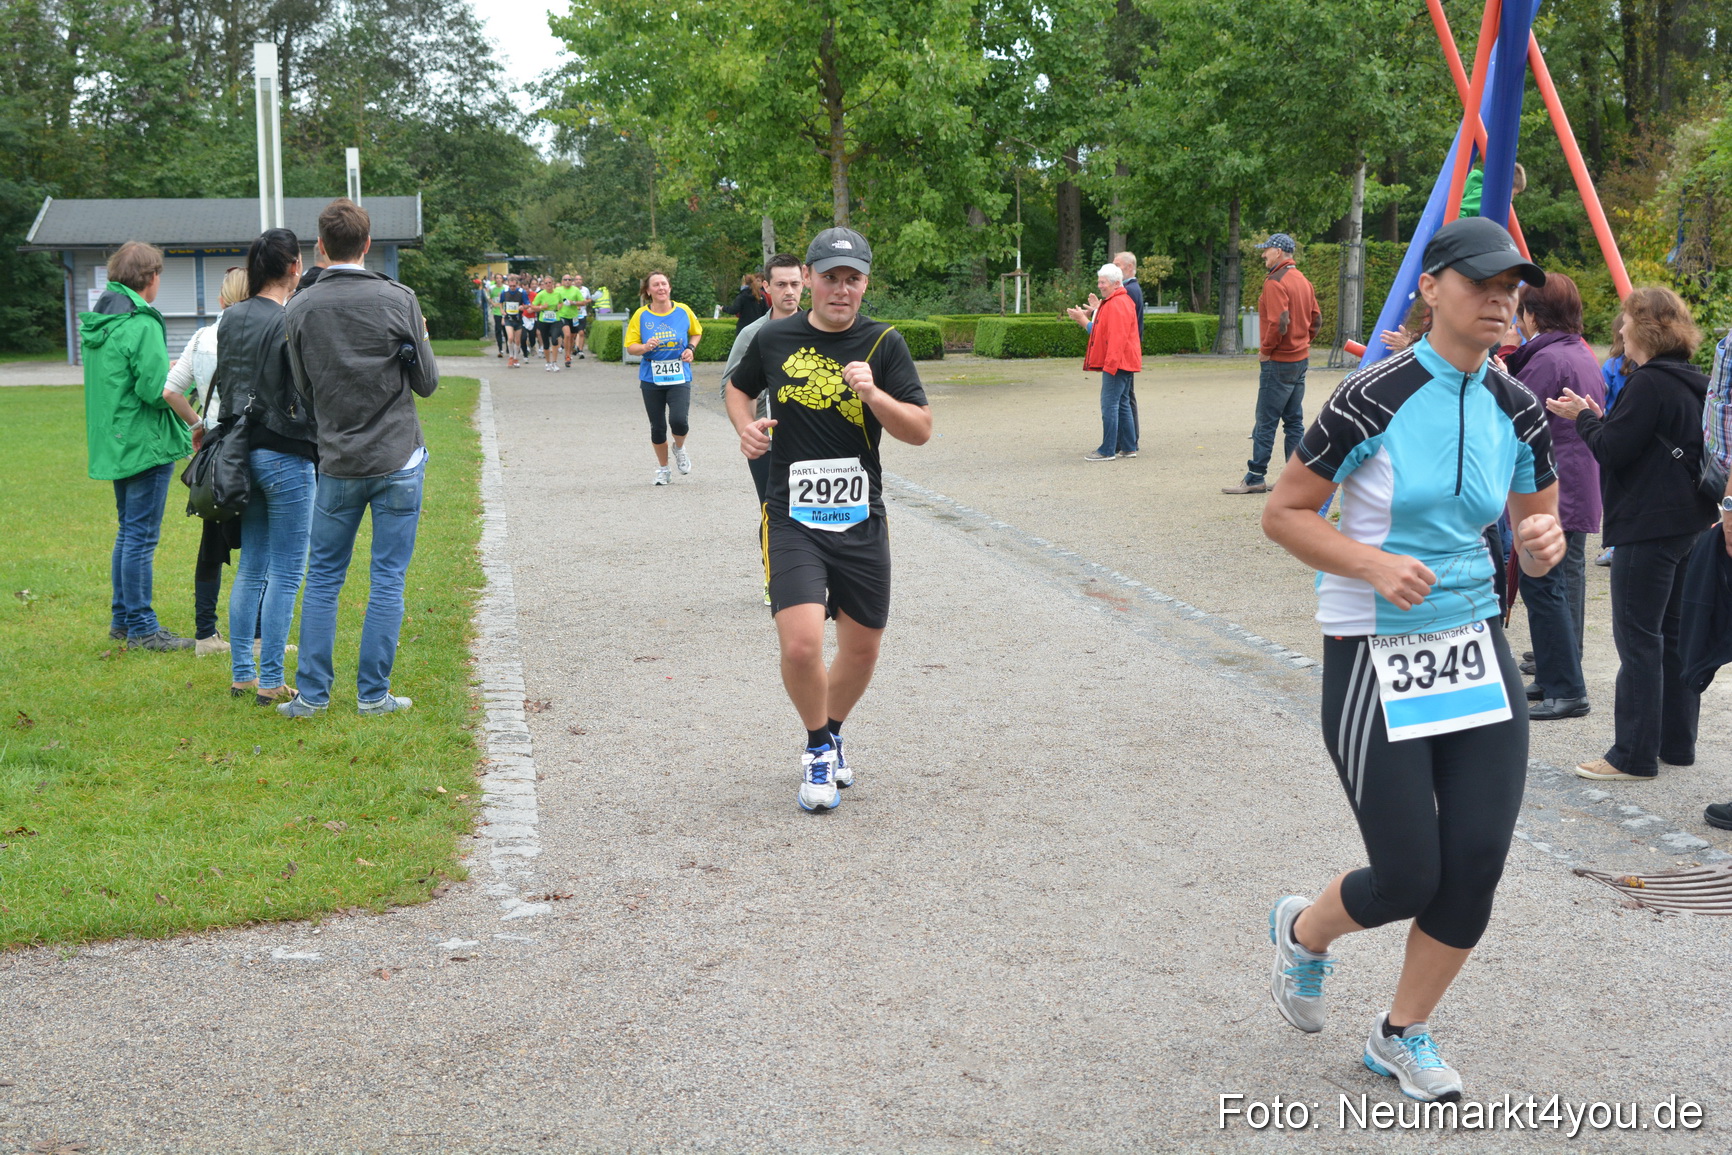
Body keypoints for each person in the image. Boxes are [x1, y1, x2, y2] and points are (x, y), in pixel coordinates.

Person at [1261, 216, 1563, 1103]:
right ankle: (1303, 934)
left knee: (1475, 858)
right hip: (1372, 648)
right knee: (1408, 873)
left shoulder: (1520, 405)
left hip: (1472, 644)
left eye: (1513, 287)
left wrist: (1543, 544)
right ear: (1432, 288)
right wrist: (1372, 561)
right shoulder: (1373, 394)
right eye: (1482, 283)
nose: (1502, 300)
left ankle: (1401, 1032)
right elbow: (1284, 512)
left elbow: (1536, 528)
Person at [725, 227, 932, 812]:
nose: (842, 289)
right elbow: (737, 392)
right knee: (801, 646)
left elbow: (919, 430)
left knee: (863, 647)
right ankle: (818, 748)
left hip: (861, 515)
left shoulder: (884, 344)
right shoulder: (773, 339)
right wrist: (744, 425)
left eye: (853, 279)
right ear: (808, 279)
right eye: (831, 277)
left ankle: (833, 729)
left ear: (865, 283)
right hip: (791, 513)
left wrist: (875, 397)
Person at [1546, 287, 1718, 781]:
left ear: (1642, 329)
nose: (1619, 331)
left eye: (1624, 321)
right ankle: (1676, 744)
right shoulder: (1694, 381)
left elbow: (1612, 449)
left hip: (1649, 525)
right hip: (1690, 522)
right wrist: (1594, 416)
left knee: (1638, 638)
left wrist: (1583, 418)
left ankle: (1633, 754)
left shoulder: (1647, 384)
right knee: (1676, 635)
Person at [280, 198, 439, 718]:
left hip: (338, 459)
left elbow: (302, 391)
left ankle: (312, 695)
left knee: (324, 576)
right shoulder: (398, 300)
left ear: (321, 248)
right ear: (367, 245)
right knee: (387, 578)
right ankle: (373, 695)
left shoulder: (300, 308)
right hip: (397, 456)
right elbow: (427, 382)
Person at [214, 229, 319, 707]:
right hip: (286, 452)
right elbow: (302, 386)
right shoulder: (289, 317)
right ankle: (272, 678)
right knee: (288, 571)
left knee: (252, 567)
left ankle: (242, 674)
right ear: (294, 267)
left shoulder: (229, 317)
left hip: (239, 453)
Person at [82, 240, 195, 651]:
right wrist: (192, 376)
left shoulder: (102, 321)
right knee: (140, 537)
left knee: (128, 533)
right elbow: (154, 390)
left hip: (116, 439)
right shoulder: (141, 322)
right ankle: (144, 628)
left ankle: (123, 621)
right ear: (150, 278)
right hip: (144, 442)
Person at [1503, 273, 1603, 721]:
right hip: (1577, 481)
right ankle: (1554, 675)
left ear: (1533, 314)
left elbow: (1513, 420)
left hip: (1552, 486)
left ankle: (1565, 686)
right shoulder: (1578, 352)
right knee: (1558, 584)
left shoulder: (1546, 361)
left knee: (1547, 586)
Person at [162, 266, 250, 657]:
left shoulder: (201, 337)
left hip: (215, 450)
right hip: (250, 447)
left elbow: (171, 390)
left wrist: (198, 424)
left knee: (211, 545)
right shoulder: (257, 335)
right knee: (259, 545)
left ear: (220, 300)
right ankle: (260, 633)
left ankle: (205, 635)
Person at [721, 253, 806, 603]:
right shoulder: (752, 334)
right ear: (766, 287)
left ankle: (812, 576)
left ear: (807, 283)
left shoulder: (822, 329)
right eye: (781, 284)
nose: (790, 291)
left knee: (811, 508)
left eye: (795, 284)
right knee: (775, 507)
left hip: (811, 439)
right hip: (767, 441)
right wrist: (748, 428)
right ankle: (776, 578)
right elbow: (732, 386)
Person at [1223, 233, 1320, 495]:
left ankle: (1255, 476)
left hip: (1278, 362)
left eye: (1266, 249)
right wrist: (1302, 342)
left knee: (1265, 422)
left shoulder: (1275, 282)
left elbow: (1279, 322)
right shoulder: (1303, 280)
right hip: (1300, 360)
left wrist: (1266, 350)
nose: (1262, 254)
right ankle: (1294, 479)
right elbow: (1316, 319)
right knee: (1293, 422)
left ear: (1278, 252)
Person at [624, 271, 703, 485]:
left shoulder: (683, 310)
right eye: (656, 285)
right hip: (651, 377)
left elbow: (697, 332)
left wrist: (691, 349)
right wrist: (645, 347)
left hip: (679, 375)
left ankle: (679, 448)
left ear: (669, 288)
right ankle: (663, 468)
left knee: (679, 421)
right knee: (657, 427)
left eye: (664, 284)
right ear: (648, 291)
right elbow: (631, 347)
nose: (661, 288)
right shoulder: (641, 315)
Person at [1066, 263, 1141, 461]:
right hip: (1123, 361)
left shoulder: (1117, 303)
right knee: (1122, 403)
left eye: (1103, 282)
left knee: (1109, 404)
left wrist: (1111, 365)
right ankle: (1128, 446)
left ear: (1116, 283)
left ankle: (1107, 450)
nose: (1099, 285)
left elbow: (1116, 338)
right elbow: (1107, 332)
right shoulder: (1118, 300)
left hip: (1117, 362)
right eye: (1099, 281)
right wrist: (1095, 311)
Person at [534, 276, 564, 372]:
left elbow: (561, 302)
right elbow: (533, 306)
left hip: (555, 319)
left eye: (549, 282)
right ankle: (548, 362)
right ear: (544, 284)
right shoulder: (541, 294)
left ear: (553, 283)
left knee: (555, 339)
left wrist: (559, 306)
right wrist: (542, 307)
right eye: (546, 283)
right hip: (544, 320)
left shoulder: (558, 293)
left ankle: (554, 362)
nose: (548, 284)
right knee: (546, 343)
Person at [499, 275, 528, 368]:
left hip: (518, 319)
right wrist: (501, 310)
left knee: (517, 340)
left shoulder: (522, 292)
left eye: (514, 286)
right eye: (510, 286)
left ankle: (516, 358)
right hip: (508, 318)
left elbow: (527, 304)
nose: (512, 288)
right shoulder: (504, 292)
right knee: (510, 337)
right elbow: (501, 302)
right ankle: (511, 357)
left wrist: (523, 307)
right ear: (508, 284)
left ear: (517, 285)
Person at [488, 275, 507, 358]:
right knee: (498, 330)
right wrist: (492, 303)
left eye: (500, 278)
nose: (499, 280)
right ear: (495, 280)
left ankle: (508, 346)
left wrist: (502, 298)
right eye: (497, 278)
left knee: (506, 330)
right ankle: (500, 349)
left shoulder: (506, 288)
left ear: (502, 280)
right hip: (496, 312)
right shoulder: (492, 288)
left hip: (505, 311)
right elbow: (489, 297)